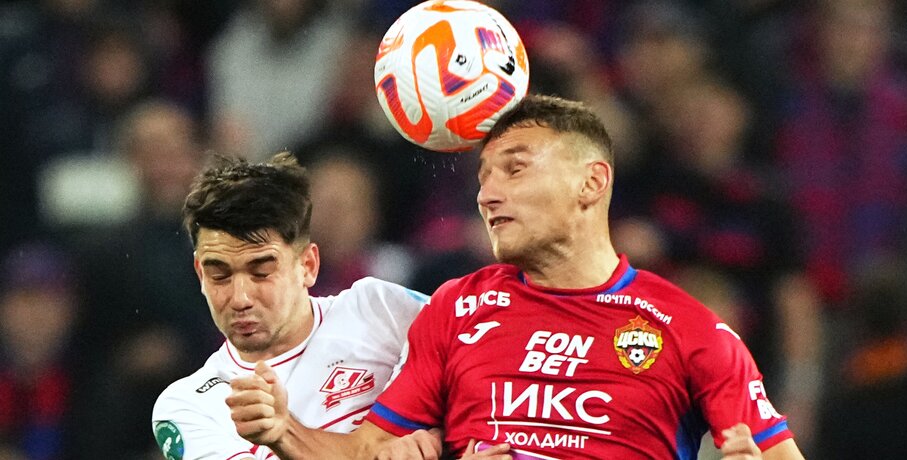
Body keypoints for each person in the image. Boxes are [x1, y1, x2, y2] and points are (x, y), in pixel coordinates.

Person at [227, 95, 804, 459]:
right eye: (484, 176)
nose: (487, 195)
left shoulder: (689, 328)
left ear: (591, 183)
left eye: (515, 169)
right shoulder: (456, 308)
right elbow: (369, 452)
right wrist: (283, 431)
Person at [150, 152, 428, 459]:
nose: (240, 298)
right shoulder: (188, 406)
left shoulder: (380, 309)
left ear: (308, 265)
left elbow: (469, 354)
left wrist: (441, 434)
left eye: (261, 272)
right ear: (201, 274)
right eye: (220, 275)